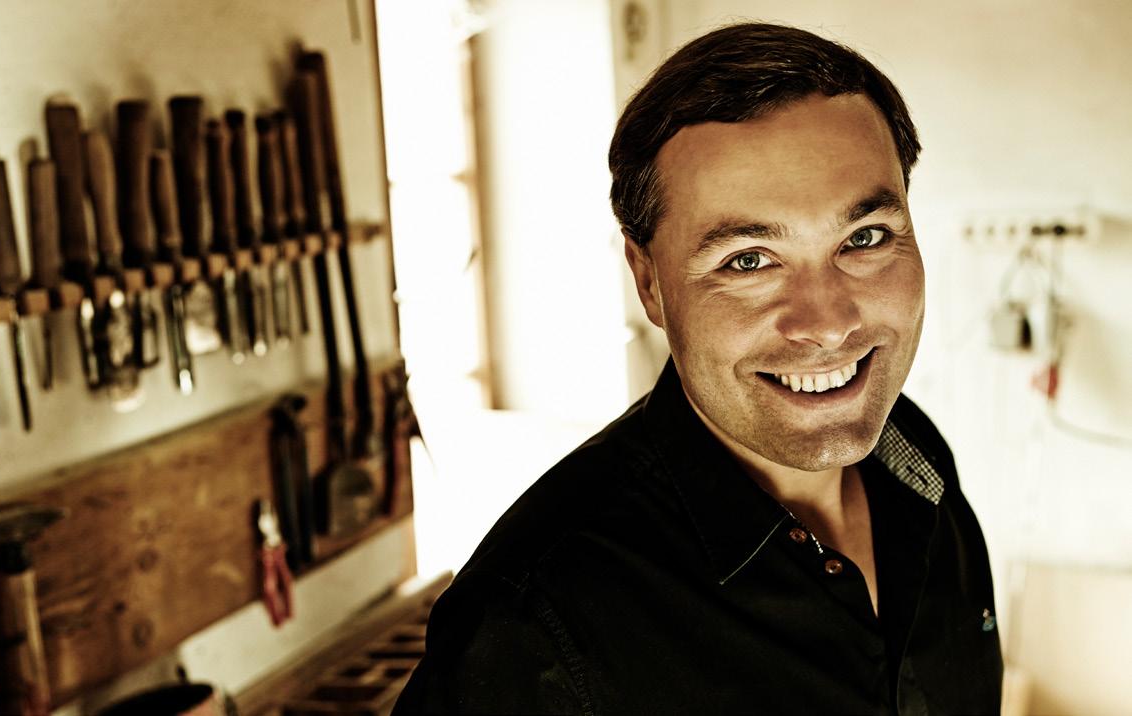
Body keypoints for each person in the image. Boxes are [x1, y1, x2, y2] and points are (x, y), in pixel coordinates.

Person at [394, 22, 1002, 715]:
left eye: (863, 238)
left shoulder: (915, 458)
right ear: (648, 283)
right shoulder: (532, 631)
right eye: (748, 260)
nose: (829, 323)